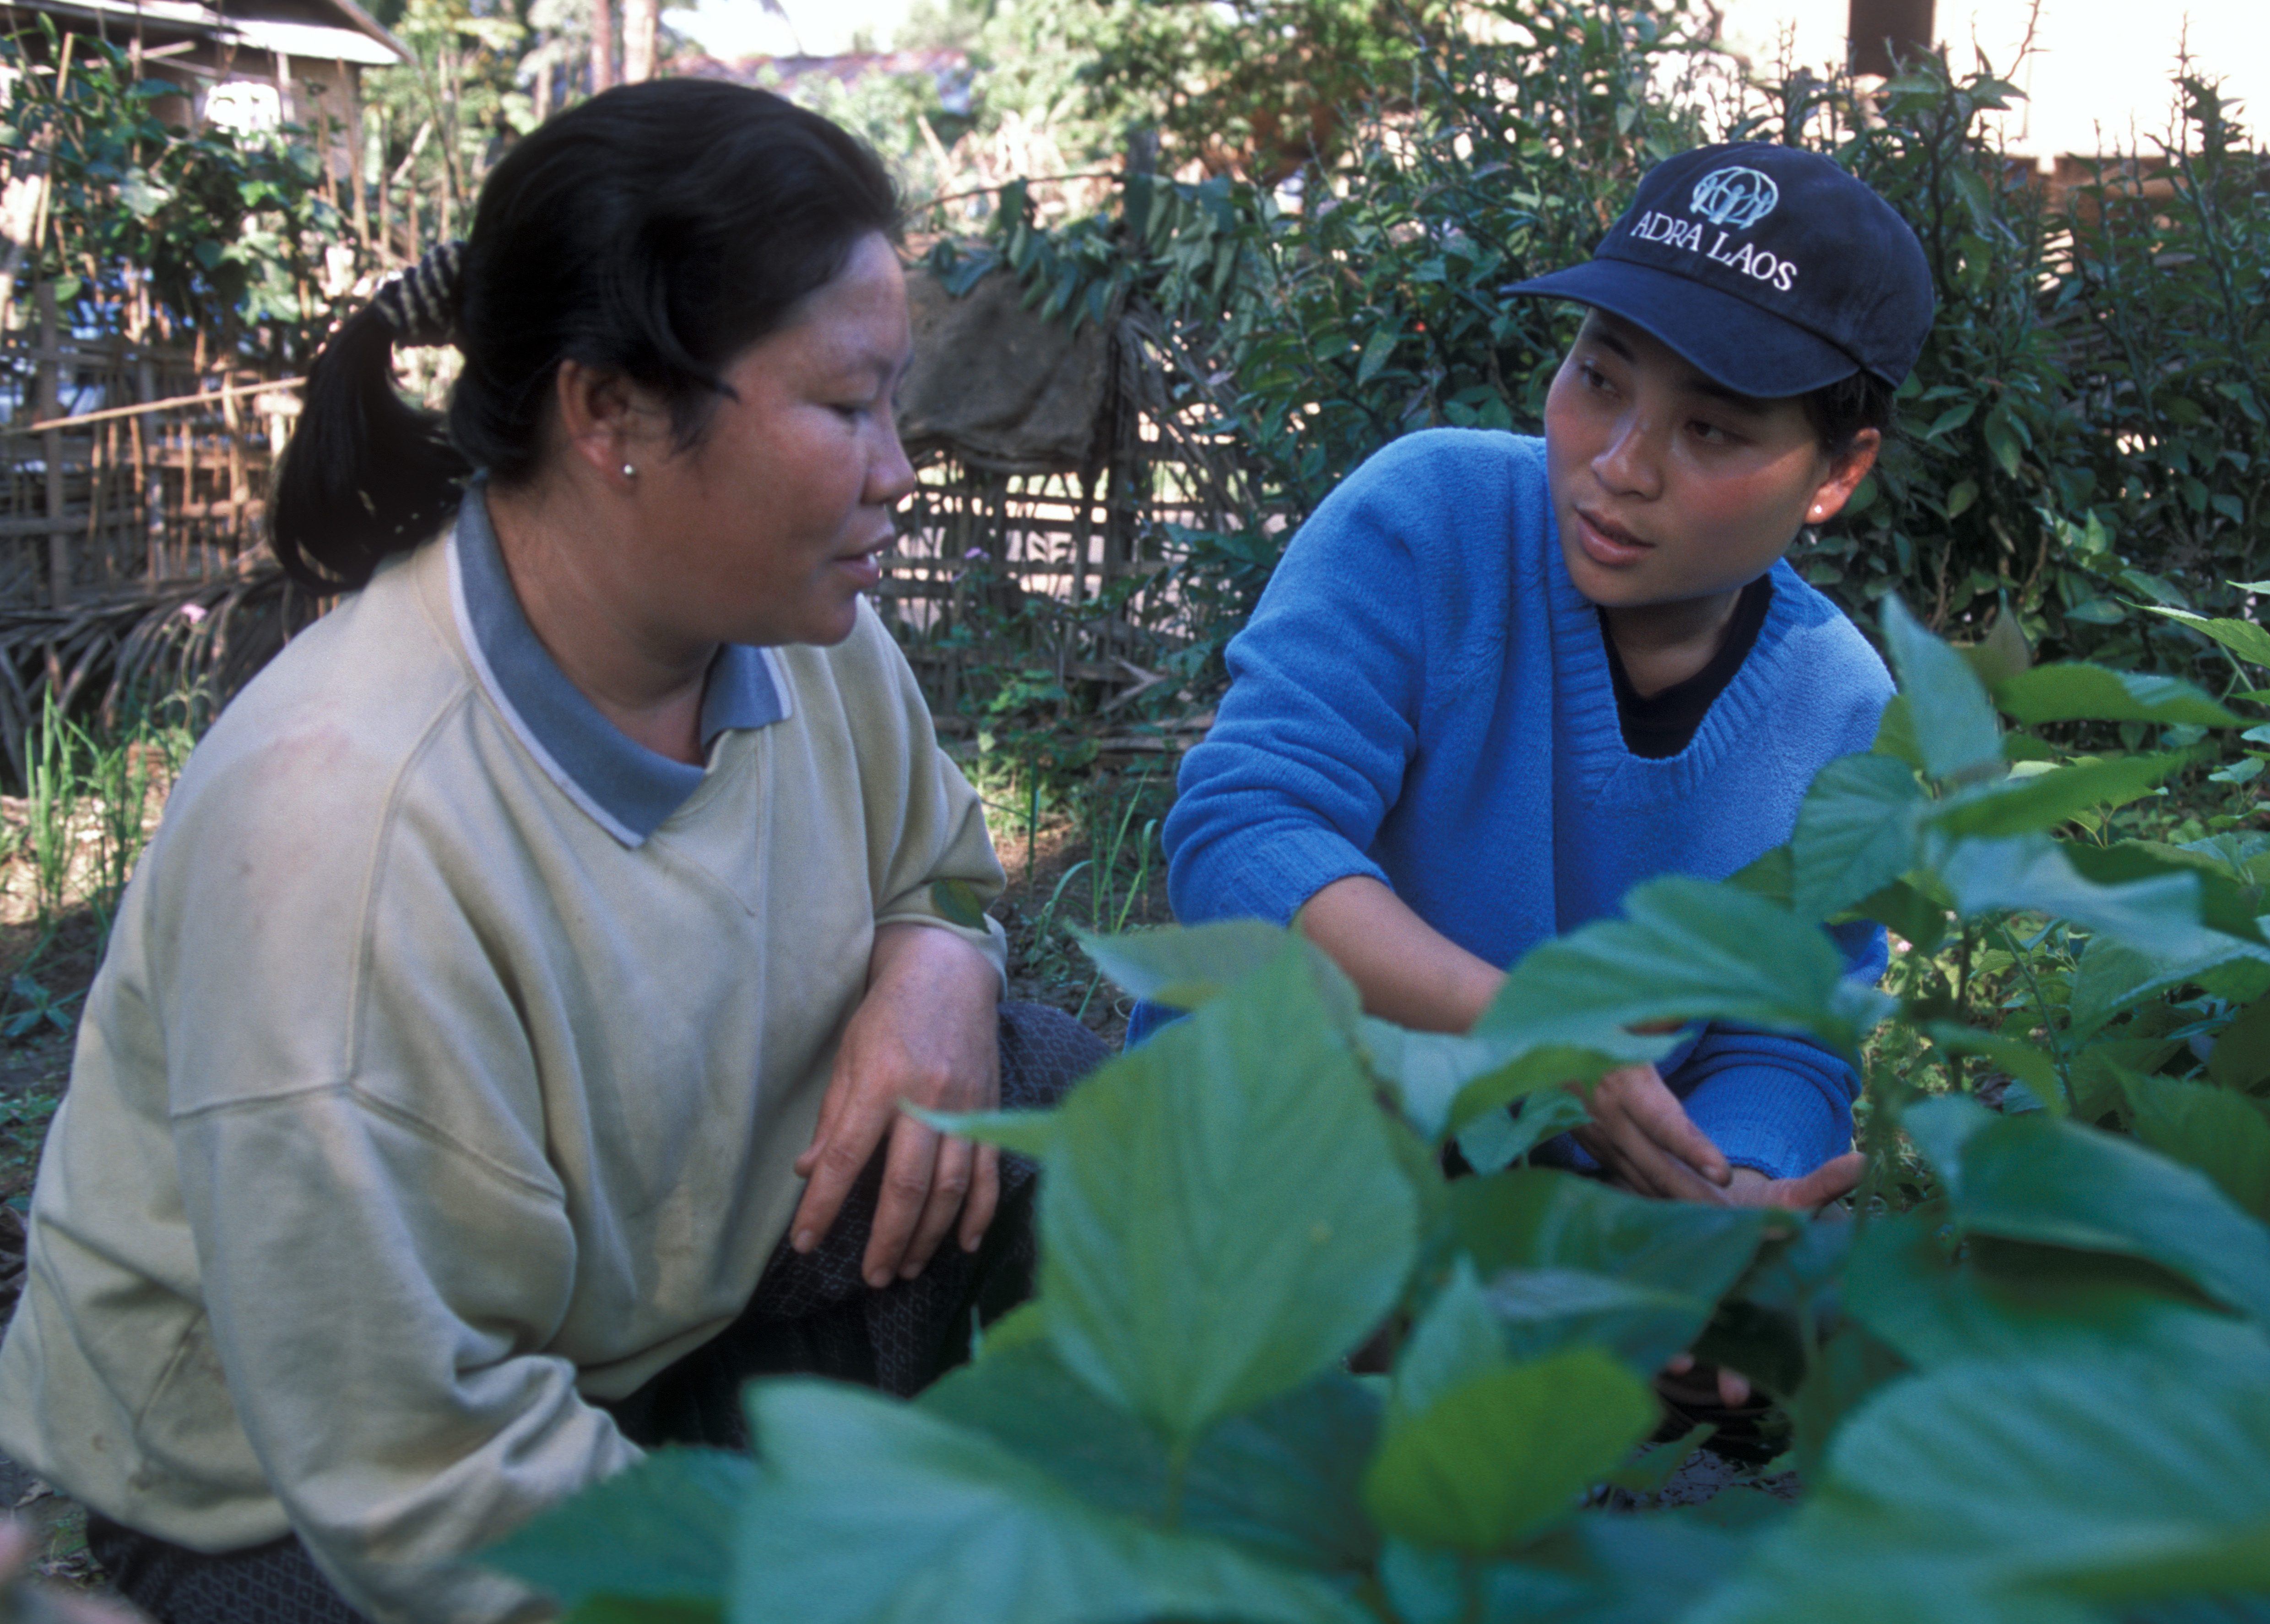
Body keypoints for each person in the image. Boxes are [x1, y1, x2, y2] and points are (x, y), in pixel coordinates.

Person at [0, 81, 1106, 1623]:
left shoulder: (803, 637)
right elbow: (416, 1462)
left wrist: (937, 957)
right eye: (847, 406)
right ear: (610, 415)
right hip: (304, 1487)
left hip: (647, 1319)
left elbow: (943, 867)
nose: (899, 469)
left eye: (893, 402)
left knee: (1060, 1097)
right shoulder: (346, 836)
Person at [1145, 143, 1935, 1223]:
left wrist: (1730, 1183)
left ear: (1837, 471)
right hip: (1266, 1148)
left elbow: (1784, 1034)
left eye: (1709, 427)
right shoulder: (1428, 521)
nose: (1620, 464)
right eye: (1600, 378)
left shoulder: (1837, 708)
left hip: (1558, 1231)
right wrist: (1529, 1031)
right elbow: (1245, 836)